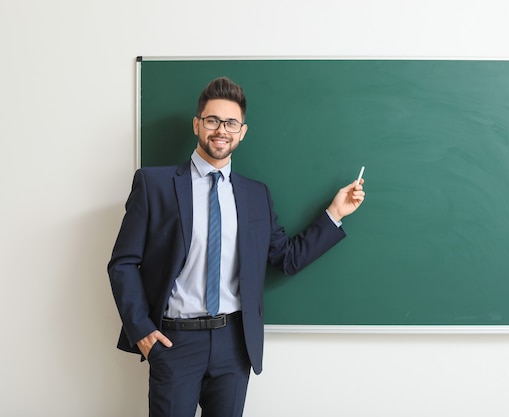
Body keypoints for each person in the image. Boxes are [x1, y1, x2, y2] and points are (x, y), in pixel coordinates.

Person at [107, 76, 365, 417]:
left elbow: (285, 257)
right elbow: (122, 262)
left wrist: (334, 214)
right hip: (174, 341)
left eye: (231, 123)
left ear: (242, 131)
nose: (221, 130)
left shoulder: (256, 195)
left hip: (233, 344)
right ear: (197, 124)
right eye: (212, 120)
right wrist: (141, 330)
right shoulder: (154, 184)